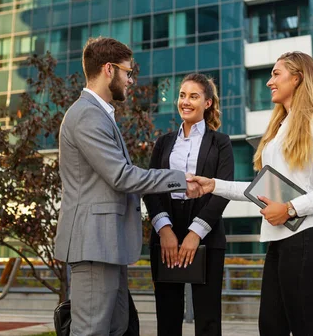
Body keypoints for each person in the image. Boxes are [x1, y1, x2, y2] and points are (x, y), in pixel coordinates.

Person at [189, 52, 313, 336]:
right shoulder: (279, 129)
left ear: (298, 77)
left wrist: (290, 208)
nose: (268, 82)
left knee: (306, 329)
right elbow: (261, 191)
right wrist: (214, 185)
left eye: (276, 74)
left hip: (307, 237)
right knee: (271, 328)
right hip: (280, 241)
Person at [54, 37, 202, 336]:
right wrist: (179, 179)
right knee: (92, 330)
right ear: (109, 69)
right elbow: (121, 176)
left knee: (118, 326)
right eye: (128, 72)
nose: (130, 80)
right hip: (93, 243)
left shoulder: (100, 114)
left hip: (108, 244)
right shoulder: (86, 115)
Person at [143, 73, 234, 336]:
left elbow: (223, 190)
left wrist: (195, 233)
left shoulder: (221, 142)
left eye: (193, 96)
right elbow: (151, 188)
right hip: (167, 230)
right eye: (182, 95)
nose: (185, 101)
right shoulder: (163, 142)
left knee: (208, 319)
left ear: (207, 103)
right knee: (168, 318)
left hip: (206, 231)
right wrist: (164, 230)